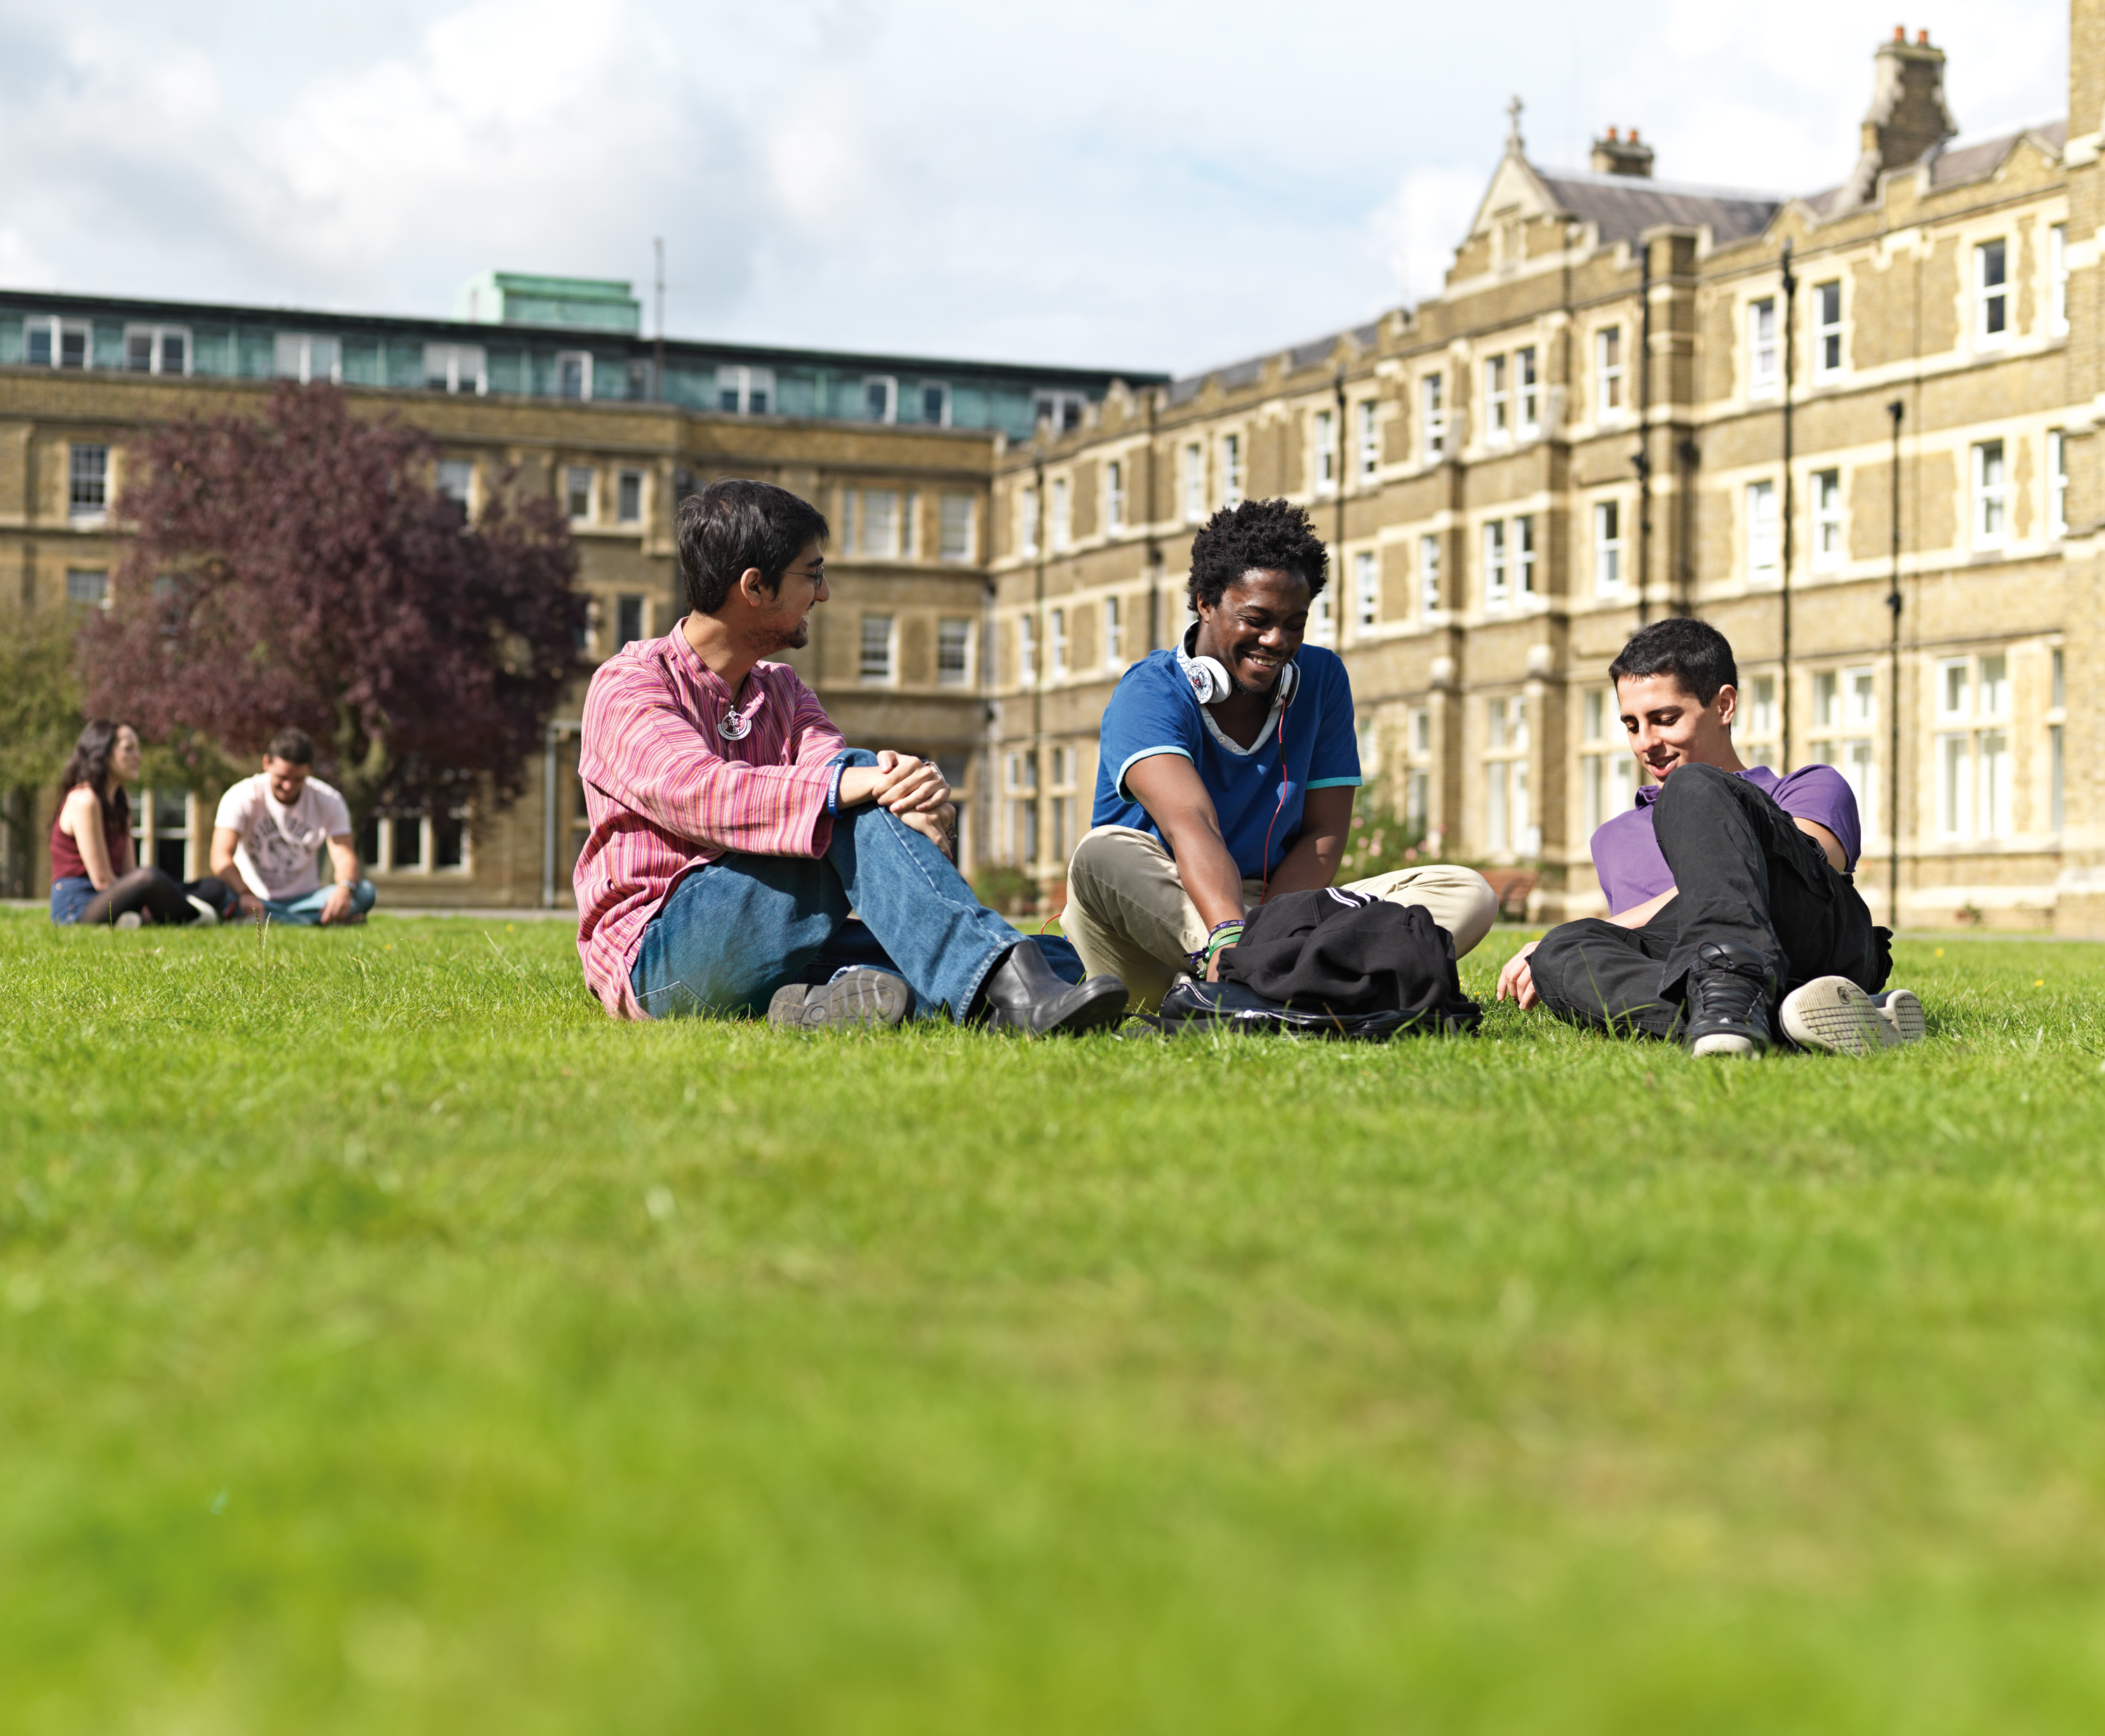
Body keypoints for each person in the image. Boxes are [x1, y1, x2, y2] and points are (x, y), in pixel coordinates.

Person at [574, 476, 1128, 1034]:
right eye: (812, 574)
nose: (824, 592)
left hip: (772, 939)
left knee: (1059, 961)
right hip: (661, 959)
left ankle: (825, 1001)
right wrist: (865, 786)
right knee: (850, 793)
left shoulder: (785, 693)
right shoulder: (629, 685)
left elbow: (841, 777)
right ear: (755, 587)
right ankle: (1006, 989)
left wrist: (912, 798)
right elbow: (699, 793)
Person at [1062, 497, 1497, 1013]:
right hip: (1158, 915)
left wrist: (1273, 934)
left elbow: (1322, 832)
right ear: (1205, 602)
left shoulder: (1322, 679)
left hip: (1272, 916)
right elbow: (1191, 823)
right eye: (1257, 619)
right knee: (1101, 852)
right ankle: (1289, 980)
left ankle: (1254, 987)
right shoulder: (1149, 692)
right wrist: (1230, 935)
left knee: (1466, 891)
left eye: (1295, 622)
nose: (1277, 640)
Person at [1495, 617, 1923, 1056]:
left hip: (1806, 930)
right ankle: (1784, 1019)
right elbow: (1650, 947)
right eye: (1631, 725)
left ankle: (1735, 990)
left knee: (1692, 786)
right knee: (1561, 953)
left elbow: (1815, 869)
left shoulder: (1810, 786)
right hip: (1697, 958)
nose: (1646, 742)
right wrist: (1563, 943)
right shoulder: (1612, 838)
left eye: (1664, 718)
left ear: (1723, 706)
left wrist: (1608, 926)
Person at [48, 719, 237, 928]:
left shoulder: (121, 800)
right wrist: (147, 898)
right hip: (79, 907)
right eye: (129, 749)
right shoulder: (84, 799)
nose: (138, 757)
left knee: (213, 887)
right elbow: (102, 880)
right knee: (148, 878)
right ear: (101, 754)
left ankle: (141, 918)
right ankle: (193, 917)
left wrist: (147, 897)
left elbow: (129, 871)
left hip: (115, 894)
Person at [210, 728, 378, 926]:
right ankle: (314, 922)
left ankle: (271, 920)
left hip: (306, 899)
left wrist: (344, 888)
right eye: (282, 777)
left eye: (298, 779)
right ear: (267, 764)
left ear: (309, 770)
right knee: (219, 895)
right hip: (252, 897)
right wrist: (245, 893)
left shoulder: (329, 800)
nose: (289, 786)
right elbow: (220, 858)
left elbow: (344, 856)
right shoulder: (241, 796)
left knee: (365, 892)